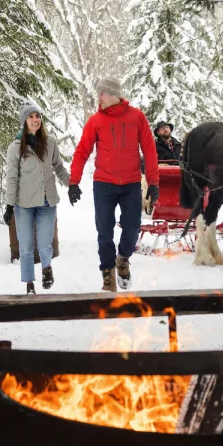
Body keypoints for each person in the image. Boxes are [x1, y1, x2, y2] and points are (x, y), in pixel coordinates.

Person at [68, 78, 159, 292]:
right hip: (104, 184)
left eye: (102, 93)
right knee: (104, 231)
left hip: (130, 184)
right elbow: (82, 152)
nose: (99, 97)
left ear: (114, 95)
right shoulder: (95, 121)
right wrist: (74, 182)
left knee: (132, 227)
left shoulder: (137, 117)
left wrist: (153, 182)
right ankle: (107, 273)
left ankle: (123, 258)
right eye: (99, 93)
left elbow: (149, 150)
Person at [4, 102, 70, 295]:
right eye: (31, 116)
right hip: (23, 204)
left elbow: (59, 167)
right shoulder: (15, 147)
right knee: (25, 246)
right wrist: (9, 205)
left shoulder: (50, 142)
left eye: (38, 116)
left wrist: (71, 186)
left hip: (47, 202)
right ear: (24, 121)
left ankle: (46, 269)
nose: (36, 119)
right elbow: (12, 177)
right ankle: (29, 284)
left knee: (44, 243)